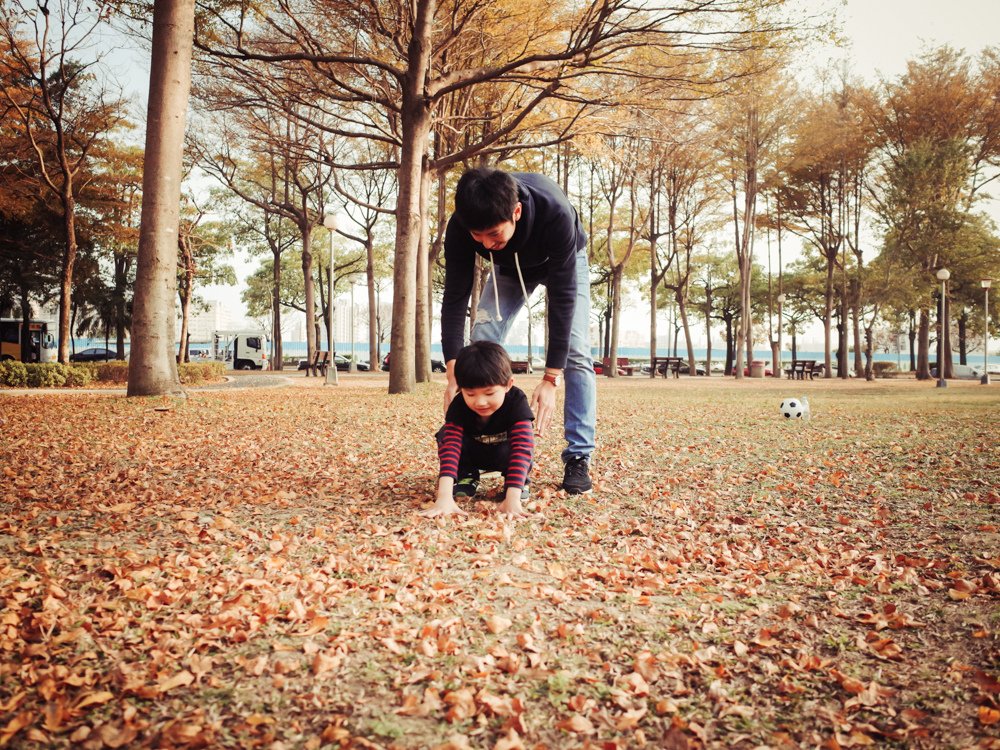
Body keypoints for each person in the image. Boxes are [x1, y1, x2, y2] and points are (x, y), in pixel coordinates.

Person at [440, 167, 596, 495]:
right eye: (477, 236)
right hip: (509, 269)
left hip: (564, 259)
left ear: (517, 212)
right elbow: (455, 295)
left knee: (576, 351)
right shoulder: (461, 225)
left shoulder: (555, 214)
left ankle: (578, 456)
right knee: (479, 346)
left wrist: (552, 377)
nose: (485, 244)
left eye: (493, 234)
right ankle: (472, 454)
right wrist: (454, 369)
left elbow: (564, 300)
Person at [420, 341, 534, 518]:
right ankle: (467, 475)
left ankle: (518, 484)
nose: (480, 402)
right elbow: (450, 448)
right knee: (445, 433)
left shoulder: (516, 401)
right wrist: (444, 498)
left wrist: (512, 499)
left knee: (523, 440)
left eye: (489, 394)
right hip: (474, 454)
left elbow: (522, 448)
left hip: (504, 454)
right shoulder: (459, 405)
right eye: (470, 394)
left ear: (508, 384)